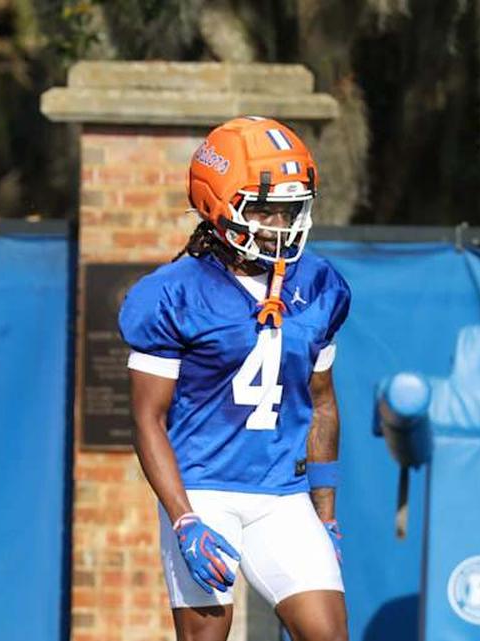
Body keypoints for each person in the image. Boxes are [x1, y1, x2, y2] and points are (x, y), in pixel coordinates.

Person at [120, 116, 350, 641]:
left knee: (329, 634)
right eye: (266, 208)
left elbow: (322, 404)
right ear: (216, 204)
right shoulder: (174, 293)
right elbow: (147, 418)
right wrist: (183, 518)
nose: (282, 223)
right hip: (202, 491)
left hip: (282, 494)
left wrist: (326, 512)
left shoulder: (317, 285)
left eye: (293, 209)